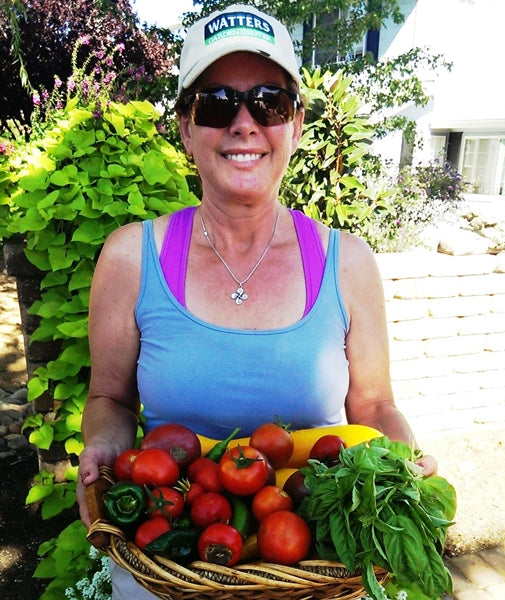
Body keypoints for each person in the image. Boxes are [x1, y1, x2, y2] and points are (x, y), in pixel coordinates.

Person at [76, 4, 437, 598]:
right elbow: (109, 396)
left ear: (294, 123)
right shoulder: (129, 258)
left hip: (311, 564)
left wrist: (404, 463)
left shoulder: (348, 262)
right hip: (171, 557)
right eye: (217, 103)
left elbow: (373, 408)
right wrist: (106, 447)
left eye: (268, 102)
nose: (244, 124)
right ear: (187, 126)